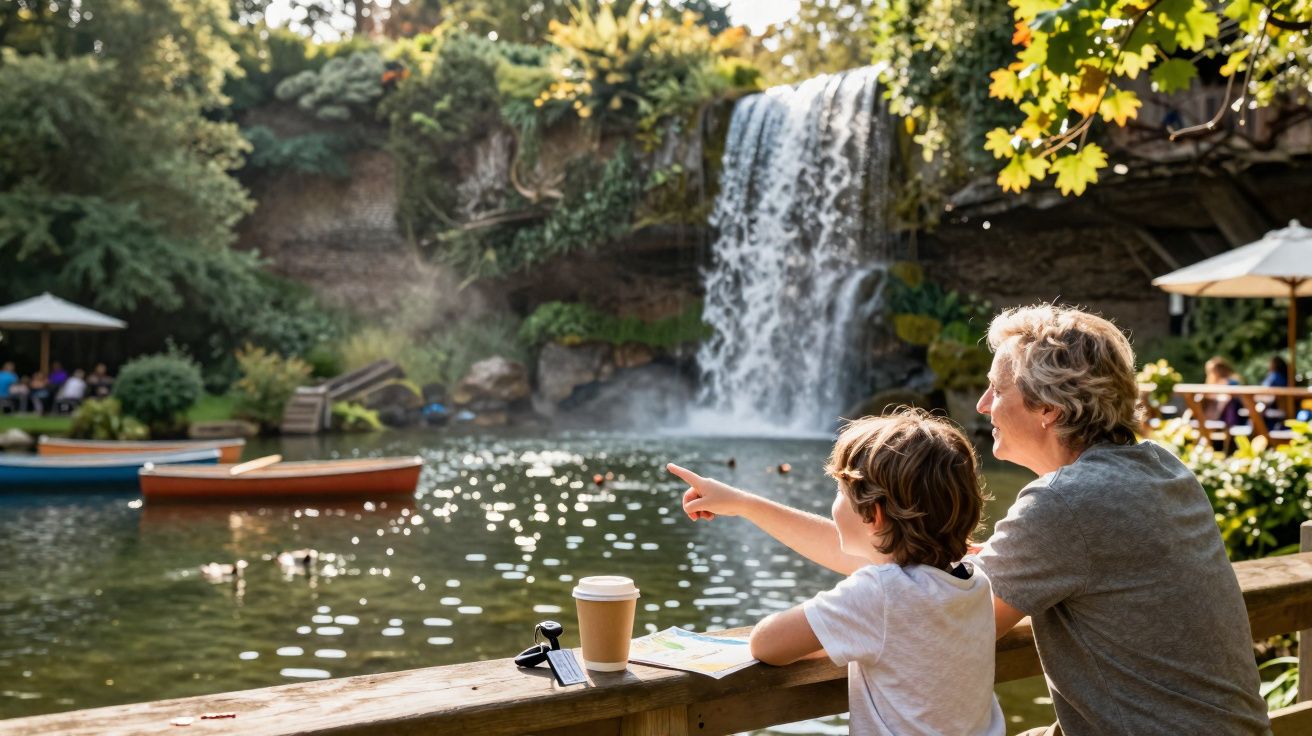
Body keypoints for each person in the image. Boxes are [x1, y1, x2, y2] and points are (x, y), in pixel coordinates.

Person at [974, 304, 1268, 736]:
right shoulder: (1162, 468)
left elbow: (951, 616)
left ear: (1048, 408)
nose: (983, 406)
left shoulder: (1063, 502)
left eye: (996, 390)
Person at [668, 409, 1005, 736]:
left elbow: (766, 643)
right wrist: (744, 503)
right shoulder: (972, 580)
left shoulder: (880, 593)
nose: (833, 502)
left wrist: (837, 632)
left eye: (839, 492)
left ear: (873, 515)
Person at [1203, 355, 1244, 426]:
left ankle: (1212, 422)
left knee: (1224, 400)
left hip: (1233, 411)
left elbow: (1233, 397)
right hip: (1216, 410)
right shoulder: (1213, 382)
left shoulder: (1232, 381)